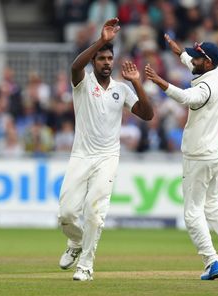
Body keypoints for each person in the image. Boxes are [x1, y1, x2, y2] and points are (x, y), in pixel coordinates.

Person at [144, 34, 218, 280]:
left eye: (197, 57)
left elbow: (187, 98)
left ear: (207, 62)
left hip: (199, 154)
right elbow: (193, 64)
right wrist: (179, 53)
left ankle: (212, 262)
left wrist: (159, 81)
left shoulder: (205, 86)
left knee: (192, 212)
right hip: (217, 153)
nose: (192, 60)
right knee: (213, 205)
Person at [57, 18, 154, 281]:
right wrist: (101, 40)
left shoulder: (121, 90)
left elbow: (147, 114)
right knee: (65, 215)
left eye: (110, 59)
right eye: (101, 59)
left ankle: (86, 266)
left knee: (94, 213)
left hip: (108, 158)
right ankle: (76, 243)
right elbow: (75, 65)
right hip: (81, 155)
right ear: (94, 62)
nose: (107, 63)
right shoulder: (82, 83)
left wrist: (136, 82)